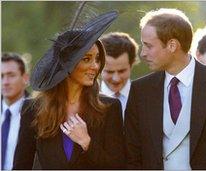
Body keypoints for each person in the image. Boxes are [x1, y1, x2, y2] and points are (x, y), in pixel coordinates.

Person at [125, 8, 206, 170]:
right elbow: (132, 158)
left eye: (148, 46)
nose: (143, 53)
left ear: (172, 45)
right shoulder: (140, 90)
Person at [13, 11, 126, 169]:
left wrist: (87, 143)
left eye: (98, 59)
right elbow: (21, 165)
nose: (95, 66)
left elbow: (118, 166)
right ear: (66, 64)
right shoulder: (32, 109)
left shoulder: (110, 108)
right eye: (87, 59)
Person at [100, 32, 139, 120]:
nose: (116, 79)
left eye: (122, 71)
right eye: (109, 72)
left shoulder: (147, 98)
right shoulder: (86, 100)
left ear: (131, 65)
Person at [1, 53, 30, 170]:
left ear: (25, 78)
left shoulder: (37, 115)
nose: (5, 82)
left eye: (11, 75)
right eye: (1, 76)